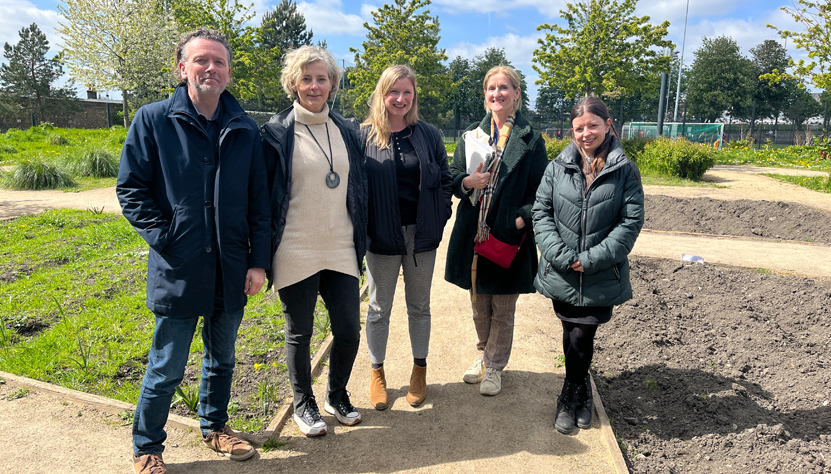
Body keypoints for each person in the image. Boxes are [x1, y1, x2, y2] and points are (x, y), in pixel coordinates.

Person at [117, 28, 270, 474]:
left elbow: (260, 203)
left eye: (219, 62)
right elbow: (132, 190)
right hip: (179, 267)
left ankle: (215, 427)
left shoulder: (245, 129)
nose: (210, 69)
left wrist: (257, 261)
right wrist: (167, 236)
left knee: (222, 357)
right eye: (201, 61)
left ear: (227, 72)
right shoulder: (153, 119)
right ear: (182, 68)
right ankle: (147, 447)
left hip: (231, 267)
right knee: (166, 366)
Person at [261, 45, 367, 437]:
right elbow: (266, 195)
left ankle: (335, 395)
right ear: (293, 83)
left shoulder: (347, 130)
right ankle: (303, 404)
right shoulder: (275, 133)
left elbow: (360, 188)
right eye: (306, 78)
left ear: (332, 84)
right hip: (295, 246)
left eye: (321, 78)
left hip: (340, 244)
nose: (314, 85)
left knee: (349, 330)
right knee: (299, 333)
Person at [532, 97, 644, 435]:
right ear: (572, 130)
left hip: (599, 272)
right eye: (579, 128)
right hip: (562, 270)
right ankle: (578, 391)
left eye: (593, 126)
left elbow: (630, 222)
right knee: (570, 331)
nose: (586, 133)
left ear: (608, 125)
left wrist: (590, 259)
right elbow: (541, 213)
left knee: (582, 334)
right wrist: (563, 256)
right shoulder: (557, 167)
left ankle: (570, 393)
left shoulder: (624, 169)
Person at [444, 65, 548, 396]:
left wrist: (521, 219)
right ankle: (485, 357)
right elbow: (454, 174)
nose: (497, 93)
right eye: (491, 88)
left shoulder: (531, 140)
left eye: (504, 87)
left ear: (516, 93)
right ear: (485, 94)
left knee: (503, 307)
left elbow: (542, 191)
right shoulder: (472, 134)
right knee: (479, 303)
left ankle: (495, 366)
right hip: (473, 235)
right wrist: (465, 182)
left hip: (508, 234)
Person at [360, 65, 453, 410]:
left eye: (407, 92)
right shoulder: (363, 135)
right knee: (378, 307)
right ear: (382, 94)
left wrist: (440, 215)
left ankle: (419, 369)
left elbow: (444, 178)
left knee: (419, 306)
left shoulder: (428, 134)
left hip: (421, 236)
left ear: (414, 96)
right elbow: (355, 188)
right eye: (393, 92)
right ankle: (376, 373)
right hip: (381, 236)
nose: (400, 99)